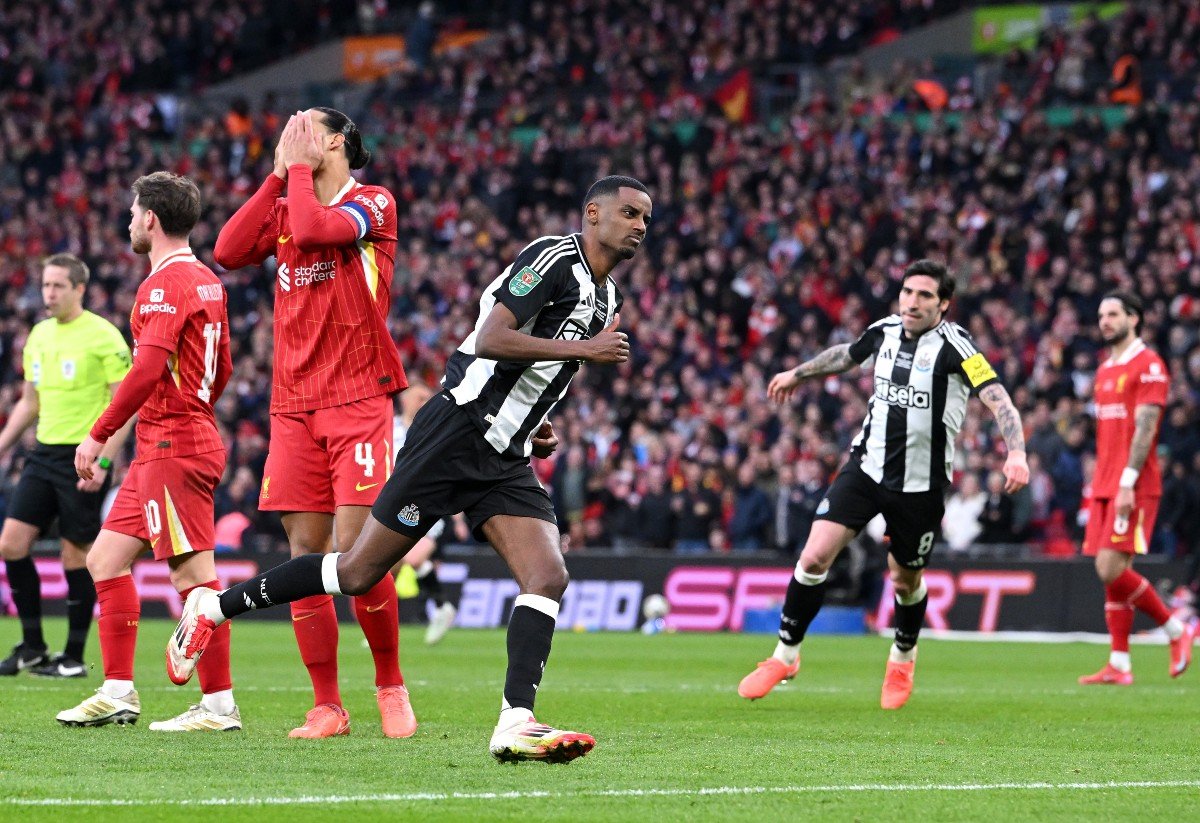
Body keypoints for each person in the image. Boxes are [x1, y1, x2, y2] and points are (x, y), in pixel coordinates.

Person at [170, 175, 649, 763]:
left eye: (645, 219)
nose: (639, 226)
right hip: (455, 430)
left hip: (505, 453)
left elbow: (539, 374)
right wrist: (584, 350)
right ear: (593, 212)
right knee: (357, 572)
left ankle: (516, 721)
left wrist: (534, 422)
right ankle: (213, 608)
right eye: (629, 213)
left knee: (547, 575)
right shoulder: (553, 259)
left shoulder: (607, 298)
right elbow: (491, 338)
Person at [737, 259, 1030, 709]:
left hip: (920, 485)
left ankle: (902, 657)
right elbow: (847, 354)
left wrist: (1016, 452)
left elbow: (999, 399)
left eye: (925, 295)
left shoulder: (956, 347)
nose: (912, 301)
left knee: (905, 579)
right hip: (867, 467)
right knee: (813, 556)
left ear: (943, 304)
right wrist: (799, 373)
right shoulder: (885, 330)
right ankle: (785, 656)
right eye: (908, 291)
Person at [213, 108, 413, 739]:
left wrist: (295, 173)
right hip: (294, 404)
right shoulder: (286, 202)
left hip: (358, 396)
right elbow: (226, 250)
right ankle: (327, 704)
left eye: (301, 126)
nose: (288, 134)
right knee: (305, 552)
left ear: (335, 141)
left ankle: (390, 683)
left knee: (359, 555)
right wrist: (277, 177)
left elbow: (315, 229)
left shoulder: (372, 202)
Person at [56, 172, 238, 730]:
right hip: (170, 441)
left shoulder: (163, 284)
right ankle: (117, 691)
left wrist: (98, 434)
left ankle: (218, 707)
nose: (129, 221)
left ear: (151, 219)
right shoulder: (207, 281)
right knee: (104, 561)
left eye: (133, 212)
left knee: (195, 580)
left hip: (172, 444)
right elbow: (223, 369)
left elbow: (147, 369)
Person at [0, 254, 133, 678]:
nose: (49, 293)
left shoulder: (103, 335)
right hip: (43, 454)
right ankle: (33, 646)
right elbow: (29, 402)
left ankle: (73, 657)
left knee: (75, 553)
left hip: (85, 457)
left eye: (58, 285)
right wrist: (3, 445)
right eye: (45, 285)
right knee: (11, 544)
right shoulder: (38, 335)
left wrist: (105, 458)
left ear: (79, 289)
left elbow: (125, 406)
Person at [1078, 291, 1194, 685]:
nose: (1105, 321)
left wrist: (1127, 481)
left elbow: (1145, 430)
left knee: (1108, 567)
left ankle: (1176, 629)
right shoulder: (1104, 370)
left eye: (1113, 314)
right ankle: (1120, 663)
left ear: (1134, 318)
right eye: (1101, 315)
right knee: (1115, 574)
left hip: (1134, 483)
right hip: (1104, 483)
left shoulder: (1149, 366)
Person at [390, 382, 460, 646]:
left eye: (427, 399)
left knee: (412, 557)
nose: (424, 403)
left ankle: (442, 608)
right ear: (405, 400)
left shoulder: (434, 429)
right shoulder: (389, 429)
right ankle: (441, 607)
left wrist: (458, 517)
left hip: (431, 504)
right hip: (394, 505)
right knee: (392, 565)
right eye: (419, 398)